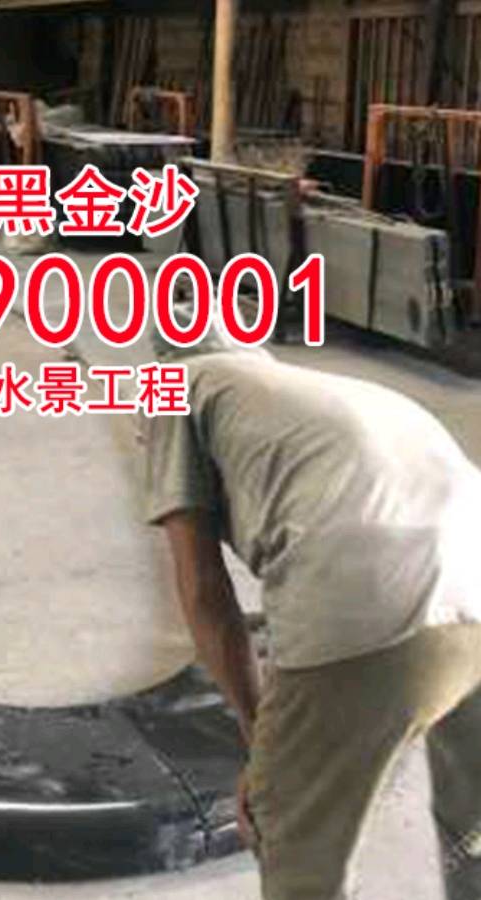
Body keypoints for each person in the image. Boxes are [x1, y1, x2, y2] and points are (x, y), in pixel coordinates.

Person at [139, 313, 481, 900]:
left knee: (296, 844)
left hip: (375, 597)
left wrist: (262, 749)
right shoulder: (309, 389)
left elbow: (204, 591)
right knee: (472, 828)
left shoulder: (177, 385)